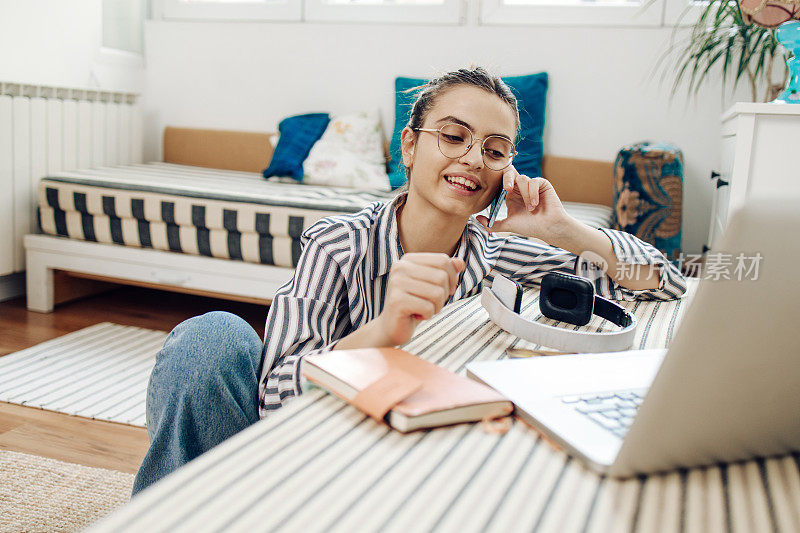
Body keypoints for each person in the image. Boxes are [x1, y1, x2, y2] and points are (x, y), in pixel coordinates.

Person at [132, 67, 686, 495]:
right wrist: (383, 332)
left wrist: (562, 229)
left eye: (495, 150)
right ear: (411, 145)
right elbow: (274, 399)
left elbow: (664, 281)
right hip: (309, 451)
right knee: (214, 337)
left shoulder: (498, 254)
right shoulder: (338, 245)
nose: (473, 159)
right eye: (453, 136)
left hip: (409, 469)